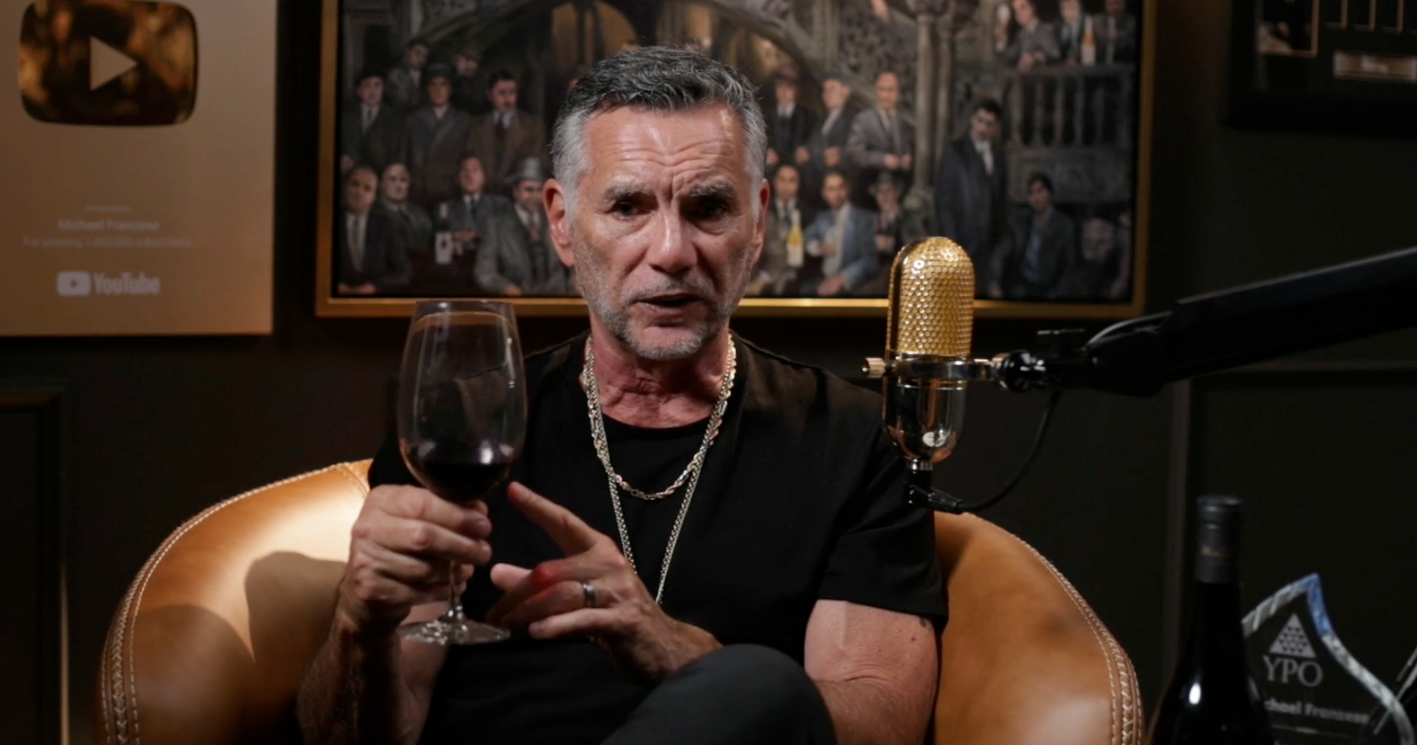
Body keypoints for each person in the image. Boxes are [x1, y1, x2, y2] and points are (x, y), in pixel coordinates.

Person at [298, 47, 942, 745]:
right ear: (561, 221)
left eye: (708, 207)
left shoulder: (851, 442)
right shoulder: (457, 432)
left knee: (760, 682)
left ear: (757, 222)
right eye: (629, 205)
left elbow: (886, 724)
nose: (670, 249)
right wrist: (357, 626)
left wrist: (680, 654)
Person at [934, 99, 1008, 295]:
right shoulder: (955, 152)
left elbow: (1000, 202)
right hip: (962, 240)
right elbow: (944, 202)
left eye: (989, 123)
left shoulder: (999, 156)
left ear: (995, 127)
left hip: (989, 246)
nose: (983, 127)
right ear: (972, 120)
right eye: (980, 120)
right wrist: (952, 245)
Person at [475, 158, 572, 296]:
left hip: (557, 304)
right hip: (518, 306)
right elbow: (484, 271)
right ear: (515, 191)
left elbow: (573, 261)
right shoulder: (496, 225)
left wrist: (574, 284)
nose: (534, 196)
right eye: (528, 190)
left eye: (538, 190)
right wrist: (507, 289)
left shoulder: (557, 220)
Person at [992, 173, 1076, 299]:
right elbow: (1001, 252)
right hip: (1022, 285)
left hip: (1050, 287)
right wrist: (994, 283)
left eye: (1040, 191)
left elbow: (1069, 266)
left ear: (1049, 193)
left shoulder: (1064, 225)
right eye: (1031, 193)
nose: (1036, 197)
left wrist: (1058, 294)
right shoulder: (1019, 222)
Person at [406, 63, 475, 210]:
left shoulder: (463, 120)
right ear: (426, 89)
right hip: (419, 194)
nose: (438, 90)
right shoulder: (413, 120)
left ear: (450, 89)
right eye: (433, 85)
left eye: (443, 84)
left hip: (452, 193)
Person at [466, 69, 548, 191]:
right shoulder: (476, 126)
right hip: (483, 194)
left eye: (512, 92)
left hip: (517, 196)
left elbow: (538, 162)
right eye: (502, 93)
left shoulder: (532, 127)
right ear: (489, 95)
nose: (507, 98)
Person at [803, 170, 878, 298]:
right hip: (822, 280)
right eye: (831, 189)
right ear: (824, 194)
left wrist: (842, 278)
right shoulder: (822, 218)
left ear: (847, 189)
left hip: (850, 286)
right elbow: (806, 237)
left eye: (840, 188)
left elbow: (870, 261)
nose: (836, 194)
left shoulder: (863, 219)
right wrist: (818, 247)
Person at [337, 164, 410, 294]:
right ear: (345, 187)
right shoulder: (329, 222)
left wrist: (374, 286)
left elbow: (403, 273)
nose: (359, 192)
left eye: (367, 188)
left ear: (374, 196)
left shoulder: (386, 226)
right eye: (354, 184)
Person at [436, 155, 512, 279]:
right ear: (457, 178)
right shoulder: (445, 208)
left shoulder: (500, 205)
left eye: (475, 170)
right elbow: (438, 240)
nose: (469, 176)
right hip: (455, 273)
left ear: (484, 175)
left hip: (494, 271)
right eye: (464, 171)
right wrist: (453, 237)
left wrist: (477, 235)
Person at [846, 72, 913, 205]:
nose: (885, 95)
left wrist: (907, 156)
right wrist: (882, 159)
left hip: (897, 190)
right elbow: (854, 153)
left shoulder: (902, 121)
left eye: (890, 90)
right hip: (871, 190)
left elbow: (906, 147)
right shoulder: (863, 120)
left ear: (898, 94)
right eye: (881, 90)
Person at [852, 173, 918, 297]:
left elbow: (917, 250)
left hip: (903, 279)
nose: (884, 196)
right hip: (877, 276)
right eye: (879, 192)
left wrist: (894, 245)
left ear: (896, 193)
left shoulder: (908, 218)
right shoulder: (873, 220)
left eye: (888, 191)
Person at [746, 163, 808, 297]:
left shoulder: (809, 214)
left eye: (792, 180)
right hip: (762, 274)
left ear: (799, 184)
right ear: (774, 182)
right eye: (782, 180)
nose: (786, 186)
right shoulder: (763, 209)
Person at [802, 72, 856, 211]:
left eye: (832, 89)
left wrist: (841, 154)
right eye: (824, 90)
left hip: (839, 184)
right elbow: (812, 145)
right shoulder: (822, 120)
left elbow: (857, 148)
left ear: (845, 91)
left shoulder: (854, 119)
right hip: (817, 185)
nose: (826, 94)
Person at [341, 68, 406, 177]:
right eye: (367, 85)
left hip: (381, 177)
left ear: (383, 89)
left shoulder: (395, 119)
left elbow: (397, 154)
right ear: (358, 90)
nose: (373, 91)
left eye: (377, 85)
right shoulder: (346, 116)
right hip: (350, 176)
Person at [377, 162, 434, 257]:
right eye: (392, 179)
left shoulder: (420, 215)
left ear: (409, 185)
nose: (398, 186)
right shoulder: (373, 213)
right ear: (382, 184)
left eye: (403, 180)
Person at [765, 72, 816, 172]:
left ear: (796, 90)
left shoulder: (808, 116)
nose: (783, 91)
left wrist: (805, 151)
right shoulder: (765, 116)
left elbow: (813, 142)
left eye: (788, 87)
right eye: (779, 86)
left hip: (799, 170)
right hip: (771, 170)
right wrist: (766, 152)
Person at [998, 0, 1061, 70]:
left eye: (1023, 7)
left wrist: (1035, 57)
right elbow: (1009, 56)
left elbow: (1055, 53)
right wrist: (1002, 40)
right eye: (1016, 10)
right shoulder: (1021, 34)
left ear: (1032, 7)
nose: (1019, 13)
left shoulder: (1044, 30)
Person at [386, 39, 431, 112]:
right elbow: (402, 102)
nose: (421, 59)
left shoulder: (425, 75)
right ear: (407, 52)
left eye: (424, 56)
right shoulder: (396, 74)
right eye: (417, 53)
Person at [451, 44, 490, 115]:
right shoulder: (448, 79)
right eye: (467, 60)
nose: (472, 65)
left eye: (475, 61)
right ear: (457, 60)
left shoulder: (481, 82)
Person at [1057, 0, 1087, 64]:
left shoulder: (1088, 23)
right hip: (1063, 68)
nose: (1065, 13)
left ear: (1079, 8)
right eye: (1063, 9)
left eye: (1071, 8)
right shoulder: (1058, 25)